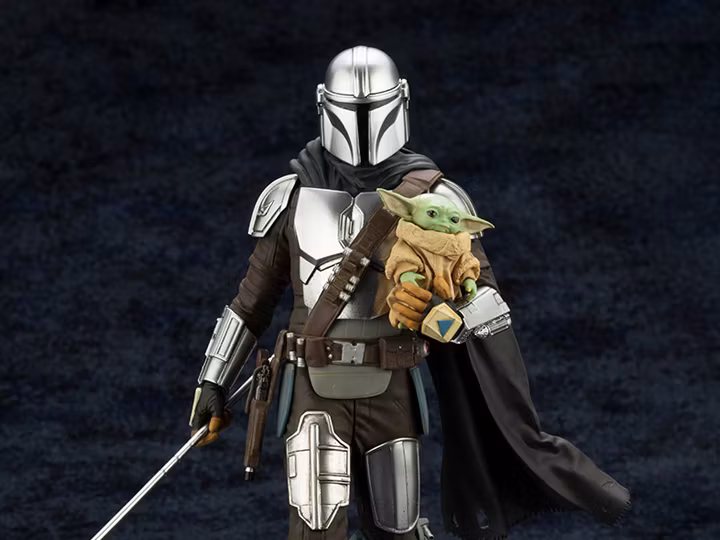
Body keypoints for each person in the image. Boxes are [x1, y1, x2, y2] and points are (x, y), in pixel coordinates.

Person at [188, 45, 631, 540]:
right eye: (350, 111)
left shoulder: (435, 200)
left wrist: (439, 314)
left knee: (397, 529)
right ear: (324, 104)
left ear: (399, 102)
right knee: (315, 528)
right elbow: (252, 301)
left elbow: (485, 300)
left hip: (392, 385)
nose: (361, 127)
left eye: (371, 111)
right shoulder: (290, 197)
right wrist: (214, 379)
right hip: (315, 388)